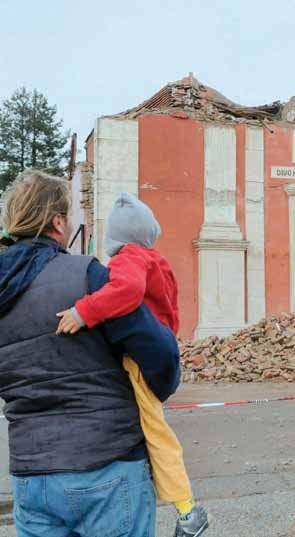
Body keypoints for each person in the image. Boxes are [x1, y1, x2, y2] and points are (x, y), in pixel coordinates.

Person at [0, 170, 180, 537]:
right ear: (57, 221)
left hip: (31, 477)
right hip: (107, 466)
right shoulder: (87, 276)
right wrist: (150, 393)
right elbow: (160, 353)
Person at [56, 193, 209, 537]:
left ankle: (188, 510)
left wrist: (84, 311)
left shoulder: (129, 258)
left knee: (155, 433)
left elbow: (127, 291)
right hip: (155, 356)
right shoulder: (155, 259)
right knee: (151, 428)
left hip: (138, 361)